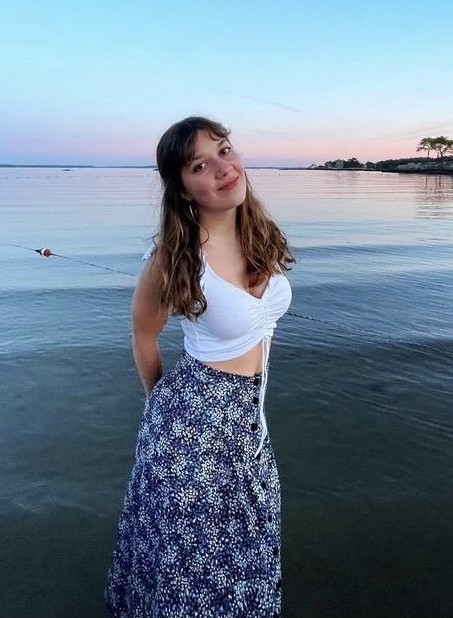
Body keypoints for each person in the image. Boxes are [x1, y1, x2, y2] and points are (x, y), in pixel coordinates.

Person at [106, 116, 294, 618]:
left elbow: (262, 330)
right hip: (192, 423)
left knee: (247, 539)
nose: (222, 168)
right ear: (183, 189)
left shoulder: (260, 236)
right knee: (194, 560)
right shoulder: (174, 257)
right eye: (199, 165)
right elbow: (143, 335)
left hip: (248, 420)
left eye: (225, 151)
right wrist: (159, 406)